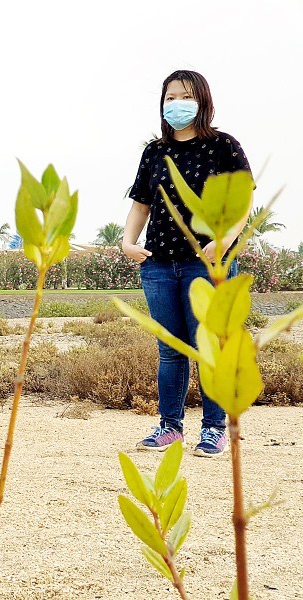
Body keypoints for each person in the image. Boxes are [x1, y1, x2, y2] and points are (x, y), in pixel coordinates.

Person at [122, 70, 252, 457]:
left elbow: (242, 200)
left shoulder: (223, 147)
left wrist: (226, 239)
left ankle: (214, 429)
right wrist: (128, 241)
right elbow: (142, 202)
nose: (178, 104)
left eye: (186, 96)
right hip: (159, 264)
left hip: (205, 264)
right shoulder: (154, 151)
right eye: (171, 97)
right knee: (170, 349)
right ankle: (169, 426)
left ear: (202, 100)